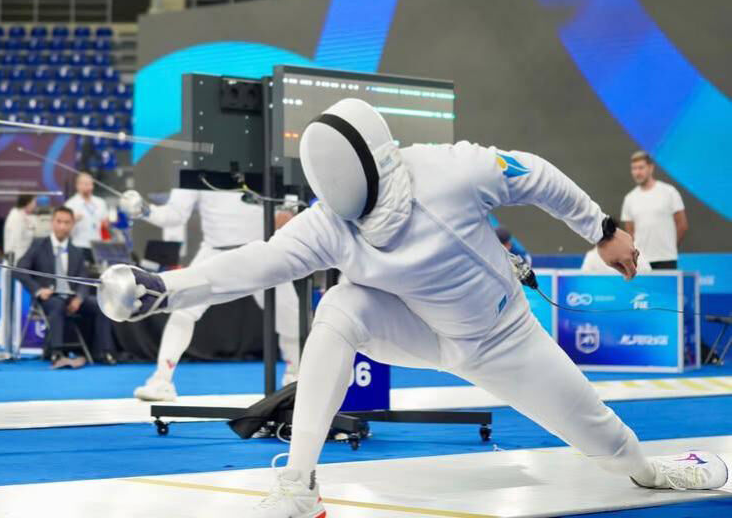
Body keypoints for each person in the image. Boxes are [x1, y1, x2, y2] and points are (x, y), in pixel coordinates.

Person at [100, 98, 727, 516]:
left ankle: (649, 469)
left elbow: (534, 174)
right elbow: (255, 264)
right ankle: (298, 486)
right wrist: (167, 290)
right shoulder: (330, 222)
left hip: (505, 339)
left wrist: (601, 228)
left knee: (608, 442)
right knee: (339, 307)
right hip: (420, 332)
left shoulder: (452, 170)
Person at [119, 188, 301, 401]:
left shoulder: (268, 171)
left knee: (291, 320)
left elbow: (287, 210)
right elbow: (175, 215)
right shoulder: (198, 174)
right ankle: (161, 380)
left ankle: (295, 377)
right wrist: (145, 210)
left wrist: (289, 212)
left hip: (260, 252)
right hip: (214, 253)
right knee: (182, 311)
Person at [18, 207, 116, 367]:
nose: (62, 226)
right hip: (48, 298)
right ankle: (57, 352)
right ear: (52, 222)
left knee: (101, 305)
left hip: (71, 297)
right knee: (57, 304)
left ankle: (104, 352)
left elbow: (83, 279)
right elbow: (20, 270)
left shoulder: (76, 251)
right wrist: (38, 290)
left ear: (72, 225)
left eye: (67, 223)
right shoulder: (38, 245)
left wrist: (79, 298)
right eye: (59, 222)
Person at [621, 151, 687, 269]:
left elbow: (682, 225)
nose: (637, 172)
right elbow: (630, 232)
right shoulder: (629, 198)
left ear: (651, 168)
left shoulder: (669, 192)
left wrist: (670, 248)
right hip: (641, 262)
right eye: (634, 168)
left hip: (667, 259)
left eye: (641, 168)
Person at [0, 194, 38, 346]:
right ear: (27, 203)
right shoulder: (15, 217)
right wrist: (17, 264)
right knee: (8, 303)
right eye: (34, 202)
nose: (35, 205)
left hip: (23, 265)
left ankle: (16, 337)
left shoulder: (26, 217)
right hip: (13, 264)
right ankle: (4, 338)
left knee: (17, 304)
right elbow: (14, 243)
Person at [65, 172, 109, 250]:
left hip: (97, 244)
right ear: (77, 185)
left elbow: (106, 225)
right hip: (78, 244)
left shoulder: (100, 202)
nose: (88, 186)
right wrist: (72, 220)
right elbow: (64, 229)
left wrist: (107, 223)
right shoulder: (70, 205)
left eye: (90, 184)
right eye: (84, 184)